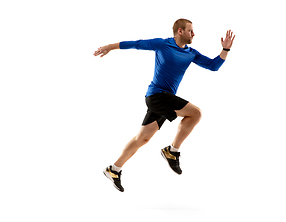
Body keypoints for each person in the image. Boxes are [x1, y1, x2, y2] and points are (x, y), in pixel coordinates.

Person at [94, 19, 235, 192]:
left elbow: (213, 66)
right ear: (180, 31)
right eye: (191, 30)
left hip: (165, 99)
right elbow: (136, 44)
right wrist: (109, 46)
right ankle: (172, 151)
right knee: (196, 113)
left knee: (142, 138)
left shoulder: (192, 53)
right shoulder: (162, 44)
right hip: (156, 96)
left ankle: (114, 169)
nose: (194, 34)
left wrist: (225, 49)